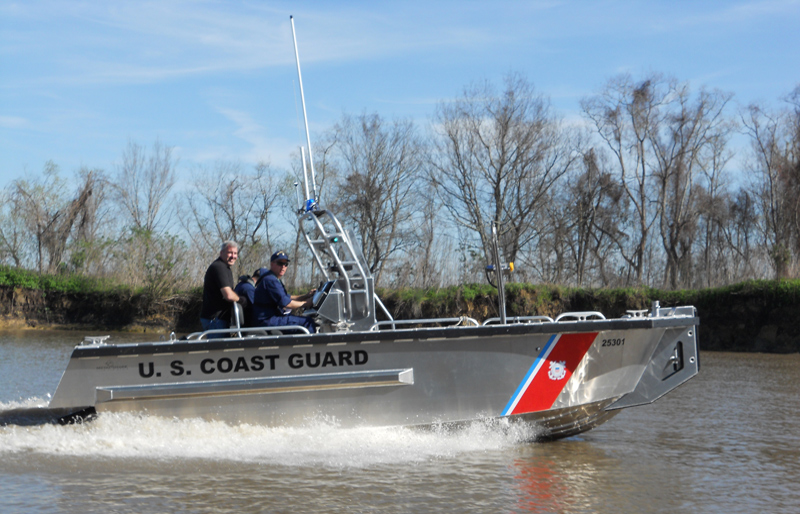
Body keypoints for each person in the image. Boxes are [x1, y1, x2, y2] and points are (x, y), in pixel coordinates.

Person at [253, 251, 317, 333]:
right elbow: (287, 304)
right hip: (268, 320)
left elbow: (287, 297)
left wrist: (306, 296)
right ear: (272, 264)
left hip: (271, 318)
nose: (283, 267)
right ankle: (309, 345)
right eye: (280, 263)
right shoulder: (270, 280)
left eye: (286, 264)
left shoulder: (273, 278)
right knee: (307, 322)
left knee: (302, 319)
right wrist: (307, 303)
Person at [200, 241, 242, 338]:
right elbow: (228, 295)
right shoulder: (219, 267)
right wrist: (242, 300)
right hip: (215, 320)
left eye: (235, 253)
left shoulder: (225, 268)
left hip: (219, 319)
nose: (233, 256)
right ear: (221, 253)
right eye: (230, 252)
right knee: (218, 352)